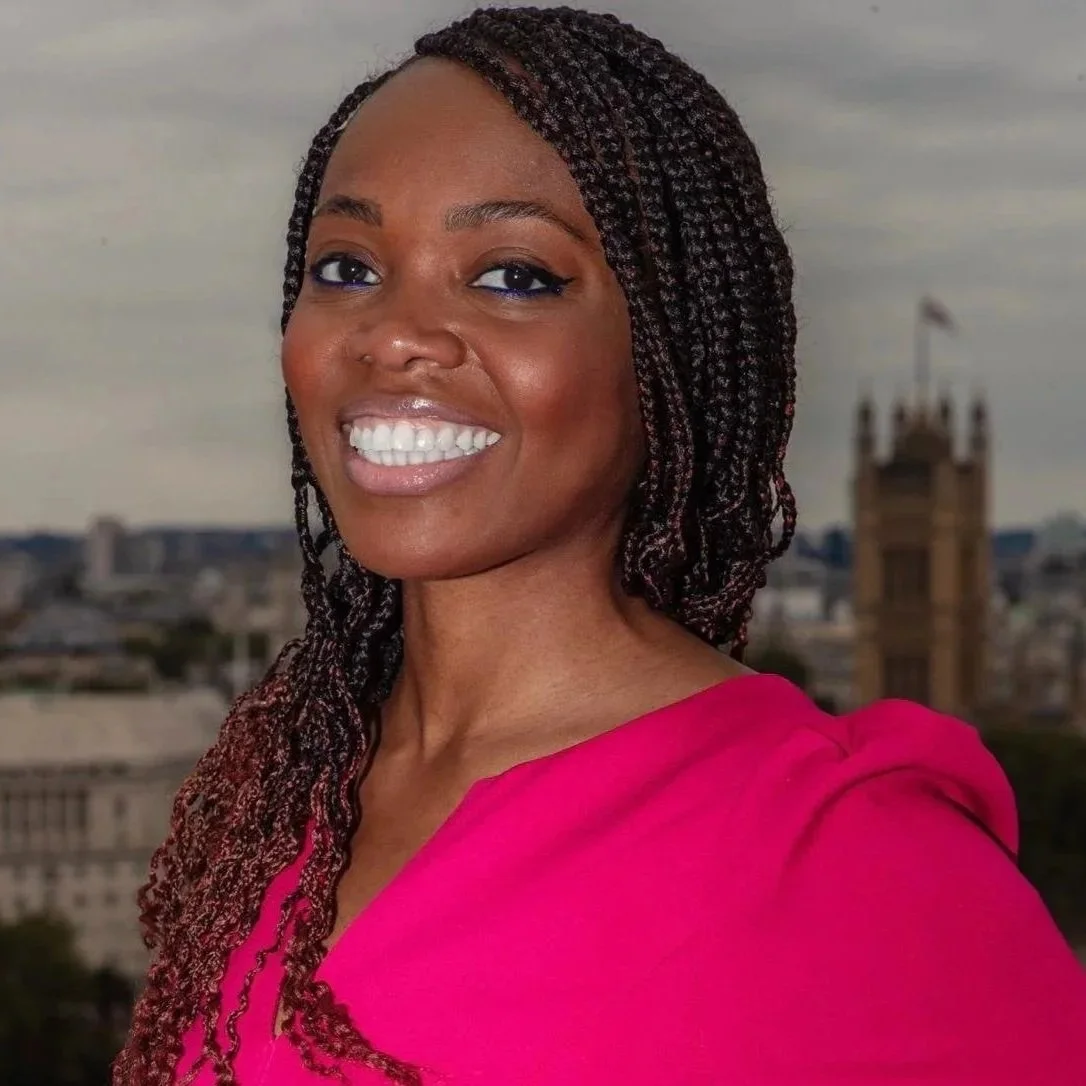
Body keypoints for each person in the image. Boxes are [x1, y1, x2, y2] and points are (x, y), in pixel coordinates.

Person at [114, 8, 1086, 1085]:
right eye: (346, 266)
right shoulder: (272, 809)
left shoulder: (852, 862)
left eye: (514, 276)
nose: (392, 331)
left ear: (663, 352)